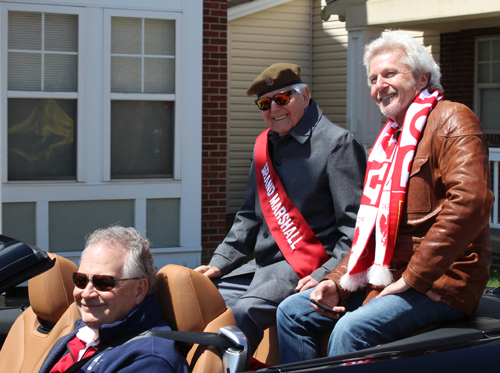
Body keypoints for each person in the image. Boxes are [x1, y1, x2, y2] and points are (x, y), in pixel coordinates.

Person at [277, 30, 494, 363]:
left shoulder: (452, 118)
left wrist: (414, 278)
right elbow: (372, 230)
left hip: (442, 281)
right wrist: (337, 281)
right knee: (291, 312)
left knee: (351, 330)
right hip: (389, 274)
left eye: (390, 74)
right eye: (373, 78)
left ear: (423, 77)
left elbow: (471, 202)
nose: (379, 85)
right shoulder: (390, 141)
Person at [195, 63, 367, 354]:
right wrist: (220, 261)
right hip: (263, 266)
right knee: (203, 298)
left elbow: (355, 230)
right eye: (265, 103)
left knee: (243, 314)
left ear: (305, 96)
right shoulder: (265, 144)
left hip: (307, 267)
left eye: (282, 99)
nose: (274, 109)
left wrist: (328, 273)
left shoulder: (338, 144)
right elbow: (249, 214)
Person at [39, 226, 188, 373]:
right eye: (81, 280)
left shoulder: (150, 361)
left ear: (139, 290)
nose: (86, 294)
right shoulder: (83, 334)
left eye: (103, 283)